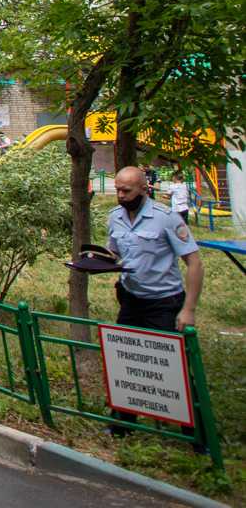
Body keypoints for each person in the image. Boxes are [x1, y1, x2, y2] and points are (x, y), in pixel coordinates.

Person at [105, 166, 204, 435]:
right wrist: (95, 262)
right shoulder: (115, 217)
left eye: (127, 190)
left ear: (144, 189)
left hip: (164, 302)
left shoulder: (167, 218)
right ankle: (121, 426)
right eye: (118, 190)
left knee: (174, 367)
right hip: (131, 300)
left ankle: (198, 437)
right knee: (125, 360)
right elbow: (112, 252)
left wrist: (188, 310)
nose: (121, 196)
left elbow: (194, 264)